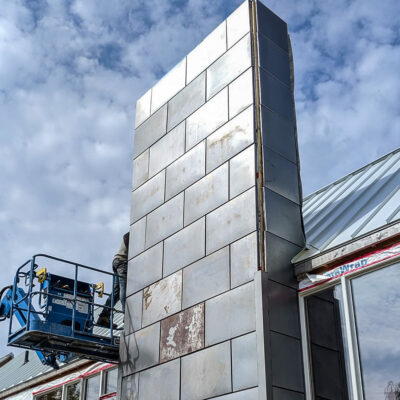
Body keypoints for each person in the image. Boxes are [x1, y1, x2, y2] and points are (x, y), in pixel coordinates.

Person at [97, 232, 129, 328]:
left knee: (116, 292)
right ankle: (126, 314)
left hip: (116, 261)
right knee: (123, 288)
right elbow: (126, 237)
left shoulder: (129, 235)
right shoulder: (131, 234)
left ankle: (104, 316)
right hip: (122, 262)